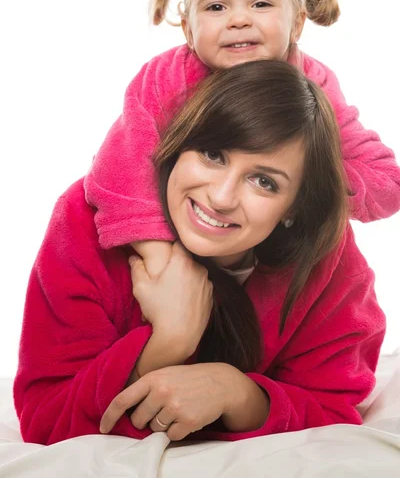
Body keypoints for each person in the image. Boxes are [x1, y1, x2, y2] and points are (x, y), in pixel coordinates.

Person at [14, 60, 385, 445]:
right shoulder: (84, 222)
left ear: (293, 207)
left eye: (264, 182)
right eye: (212, 154)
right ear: (178, 145)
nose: (221, 197)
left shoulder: (331, 264)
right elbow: (46, 418)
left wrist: (238, 394)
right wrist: (170, 341)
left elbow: (333, 410)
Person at [83, 0, 400, 280]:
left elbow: (386, 181)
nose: (239, 19)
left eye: (261, 3)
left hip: (266, 252)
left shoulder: (313, 85)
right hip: (178, 238)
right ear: (188, 28)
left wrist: (306, 182)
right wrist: (162, 262)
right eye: (216, 6)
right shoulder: (165, 78)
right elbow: (121, 169)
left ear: (297, 22)